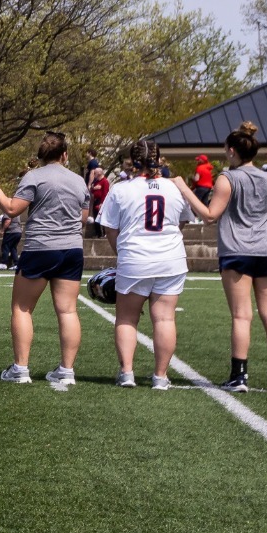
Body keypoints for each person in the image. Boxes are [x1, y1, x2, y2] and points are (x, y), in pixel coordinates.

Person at [181, 121, 267, 393]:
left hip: (237, 251)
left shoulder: (227, 178)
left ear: (232, 150)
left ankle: (239, 376)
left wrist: (184, 189)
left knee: (242, 316)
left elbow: (210, 216)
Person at [0, 132, 89, 385]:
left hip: (40, 247)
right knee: (68, 310)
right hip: (72, 249)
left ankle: (20, 368)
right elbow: (82, 217)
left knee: (22, 308)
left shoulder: (33, 177)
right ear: (64, 155)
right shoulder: (79, 180)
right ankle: (66, 370)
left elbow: (12, 209)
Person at [98, 138, 193, 389]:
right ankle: (160, 376)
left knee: (127, 319)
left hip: (135, 257)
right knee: (164, 319)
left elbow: (110, 228)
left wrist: (122, 253)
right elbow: (181, 222)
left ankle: (127, 373)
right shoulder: (174, 188)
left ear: (132, 160)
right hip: (171, 258)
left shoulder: (121, 189)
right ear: (159, 159)